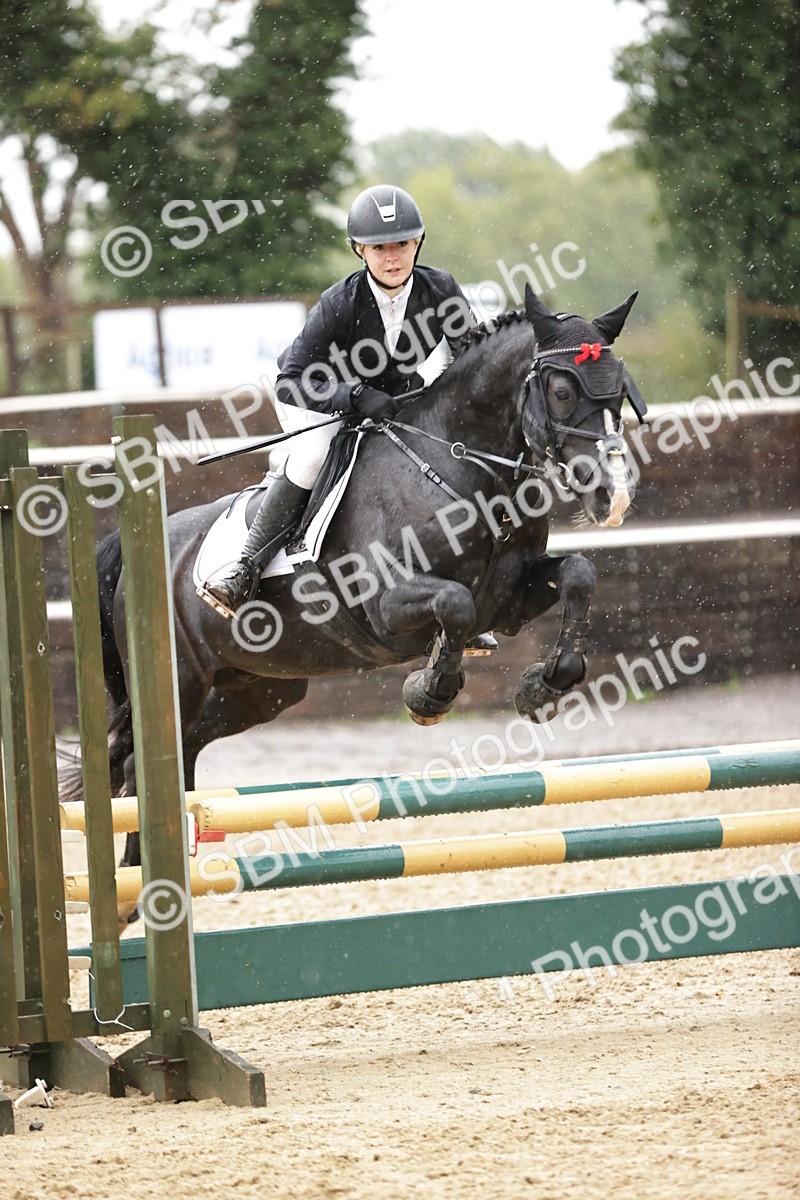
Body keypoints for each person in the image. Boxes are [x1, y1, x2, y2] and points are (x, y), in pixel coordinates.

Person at [200, 183, 497, 653]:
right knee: (316, 455)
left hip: (390, 401)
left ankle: (461, 599)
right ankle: (244, 568)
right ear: (360, 249)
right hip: (318, 396)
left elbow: (471, 357)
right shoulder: (340, 302)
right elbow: (290, 381)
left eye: (402, 244)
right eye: (380, 247)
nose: (393, 257)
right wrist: (353, 395)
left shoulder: (440, 289)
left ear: (418, 243)